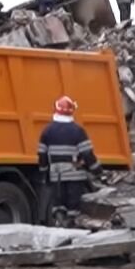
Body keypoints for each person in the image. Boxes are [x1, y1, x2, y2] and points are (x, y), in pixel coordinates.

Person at [38, 96, 98, 224]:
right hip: (74, 176)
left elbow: (42, 154)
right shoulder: (78, 131)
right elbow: (87, 153)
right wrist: (97, 170)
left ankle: (60, 222)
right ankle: (72, 228)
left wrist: (44, 172)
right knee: (73, 207)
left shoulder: (47, 131)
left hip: (56, 175)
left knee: (59, 204)